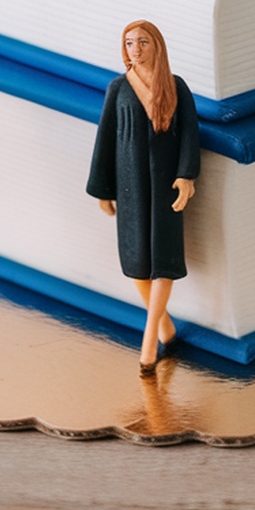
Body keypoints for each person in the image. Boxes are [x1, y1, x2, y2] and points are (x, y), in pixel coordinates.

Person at [87, 21, 200, 373]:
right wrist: (103, 188)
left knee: (163, 257)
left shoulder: (175, 87)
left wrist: (186, 176)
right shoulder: (118, 88)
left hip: (166, 184)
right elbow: (105, 138)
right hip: (130, 186)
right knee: (137, 261)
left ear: (157, 47)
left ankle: (149, 339)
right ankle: (165, 326)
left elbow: (189, 135)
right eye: (129, 42)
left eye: (143, 42)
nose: (135, 49)